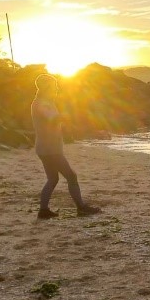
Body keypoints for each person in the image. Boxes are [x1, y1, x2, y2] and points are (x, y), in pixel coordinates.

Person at [31, 73, 101, 220]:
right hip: (50, 148)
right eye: (54, 86)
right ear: (47, 88)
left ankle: (43, 210)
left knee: (53, 179)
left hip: (45, 147)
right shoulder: (43, 103)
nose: (56, 89)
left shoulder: (42, 102)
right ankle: (81, 207)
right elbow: (53, 119)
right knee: (71, 176)